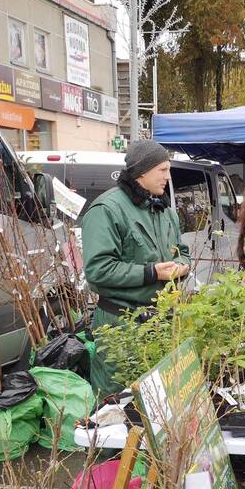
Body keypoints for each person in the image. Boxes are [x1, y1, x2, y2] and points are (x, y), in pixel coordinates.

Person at [82, 139, 191, 397]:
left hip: (162, 322)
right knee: (118, 402)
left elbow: (182, 252)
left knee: (161, 401)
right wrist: (152, 272)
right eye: (162, 170)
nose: (168, 176)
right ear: (142, 172)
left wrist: (182, 267)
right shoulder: (107, 209)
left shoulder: (164, 210)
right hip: (121, 327)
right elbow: (98, 270)